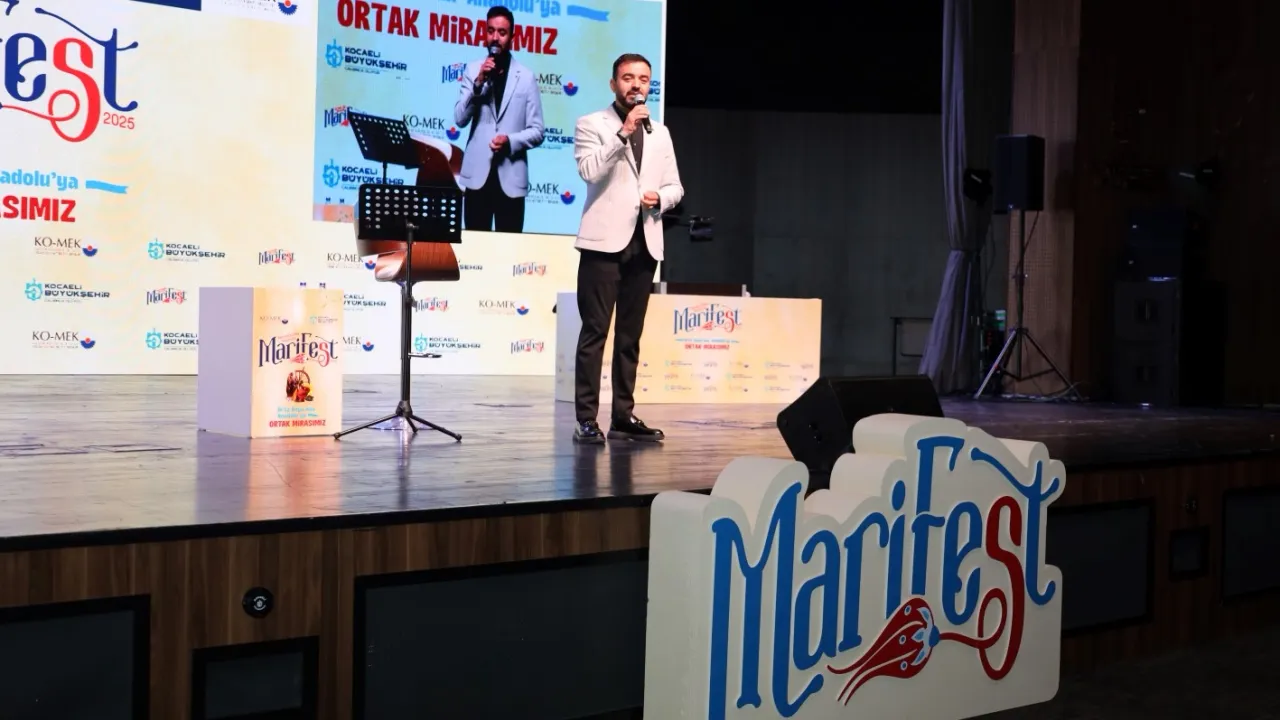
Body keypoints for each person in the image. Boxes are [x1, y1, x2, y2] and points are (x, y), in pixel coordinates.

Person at [570, 53, 683, 444]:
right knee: (595, 332)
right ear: (614, 83)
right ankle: (586, 419)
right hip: (603, 244)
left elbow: (675, 186)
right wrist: (622, 134)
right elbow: (589, 171)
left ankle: (623, 415)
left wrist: (661, 199)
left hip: (644, 242)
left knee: (630, 336)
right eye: (628, 78)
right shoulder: (592, 124)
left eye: (644, 79)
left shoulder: (660, 132)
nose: (637, 85)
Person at [453, 5, 544, 233]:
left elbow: (537, 130)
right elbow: (460, 119)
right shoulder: (473, 70)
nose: (495, 37)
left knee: (509, 250)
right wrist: (478, 83)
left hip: (511, 179)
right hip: (477, 178)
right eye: (490, 31)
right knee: (475, 248)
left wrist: (510, 141)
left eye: (502, 32)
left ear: (512, 37)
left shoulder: (526, 77)